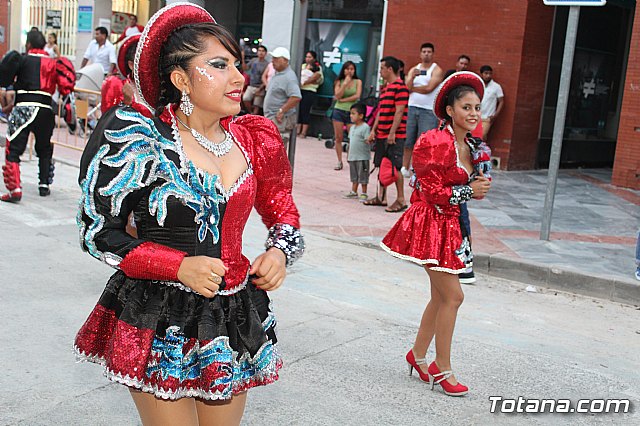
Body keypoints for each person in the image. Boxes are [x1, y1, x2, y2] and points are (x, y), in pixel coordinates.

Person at [73, 4, 304, 425]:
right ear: (180, 78)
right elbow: (97, 231)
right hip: (159, 316)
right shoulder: (140, 140)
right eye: (220, 65)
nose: (239, 77)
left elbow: (283, 211)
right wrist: (177, 265)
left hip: (231, 313)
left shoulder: (255, 139)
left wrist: (279, 252)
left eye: (237, 64)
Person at [380, 72, 491, 397]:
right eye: (466, 107)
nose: (473, 113)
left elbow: (465, 191)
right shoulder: (433, 141)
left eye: (477, 108)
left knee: (441, 296)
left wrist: (477, 189)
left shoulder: (471, 145)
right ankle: (443, 369)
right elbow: (430, 191)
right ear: (450, 110)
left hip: (452, 225)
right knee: (454, 296)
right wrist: (469, 190)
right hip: (429, 224)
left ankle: (417, 355)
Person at [0, 30, 64, 201]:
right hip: (45, 109)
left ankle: (15, 190)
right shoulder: (54, 63)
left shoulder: (22, 59)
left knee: (13, 149)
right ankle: (44, 185)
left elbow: (4, 80)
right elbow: (65, 87)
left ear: (28, 44)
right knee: (44, 148)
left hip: (25, 108)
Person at [364, 56, 409, 213]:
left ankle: (401, 199)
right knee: (381, 165)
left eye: (382, 68)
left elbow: (400, 111)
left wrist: (392, 133)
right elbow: (380, 112)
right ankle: (381, 197)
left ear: (390, 69)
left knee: (395, 168)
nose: (380, 71)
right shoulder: (386, 88)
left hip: (394, 135)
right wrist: (373, 130)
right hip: (382, 134)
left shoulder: (400, 88)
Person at [403, 42, 443, 178]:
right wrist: (412, 78)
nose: (426, 54)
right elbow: (406, 87)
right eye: (424, 51)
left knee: (424, 142)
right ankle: (404, 167)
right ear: (420, 53)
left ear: (433, 54)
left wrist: (413, 89)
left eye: (429, 52)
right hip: (412, 108)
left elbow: (429, 89)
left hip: (427, 111)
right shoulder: (414, 69)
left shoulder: (436, 70)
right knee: (408, 140)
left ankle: (418, 170)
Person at [100, 34, 150, 117]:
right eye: (144, 62)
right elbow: (109, 120)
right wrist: (127, 103)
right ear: (131, 65)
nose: (149, 67)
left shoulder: (161, 89)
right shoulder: (116, 86)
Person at [263, 47, 301, 148]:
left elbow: (296, 96)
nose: (273, 61)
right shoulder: (278, 73)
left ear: (285, 60)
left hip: (280, 120)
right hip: (273, 118)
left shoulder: (289, 77)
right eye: (273, 58)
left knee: (276, 150)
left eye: (276, 59)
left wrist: (282, 110)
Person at [331, 61, 362, 170]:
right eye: (347, 69)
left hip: (352, 112)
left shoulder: (358, 81)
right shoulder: (339, 81)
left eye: (352, 69)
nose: (349, 71)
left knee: (352, 137)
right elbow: (337, 95)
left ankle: (351, 158)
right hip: (339, 110)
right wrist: (344, 84)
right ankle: (339, 161)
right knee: (338, 137)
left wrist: (343, 99)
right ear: (343, 70)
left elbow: (357, 96)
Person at [343, 103, 371, 200]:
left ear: (361, 115)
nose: (351, 116)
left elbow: (368, 140)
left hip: (362, 157)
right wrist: (348, 155)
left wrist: (370, 139)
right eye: (351, 113)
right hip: (353, 156)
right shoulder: (352, 128)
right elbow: (351, 142)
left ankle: (364, 193)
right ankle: (354, 191)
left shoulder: (365, 127)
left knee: (363, 175)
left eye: (353, 113)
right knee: (354, 175)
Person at [297, 50, 323, 138]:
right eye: (307, 57)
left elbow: (319, 79)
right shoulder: (303, 66)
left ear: (314, 58)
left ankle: (304, 132)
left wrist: (307, 81)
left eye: (310, 57)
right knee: (299, 110)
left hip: (310, 91)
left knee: (305, 110)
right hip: (300, 90)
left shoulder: (317, 67)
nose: (307, 59)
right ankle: (297, 130)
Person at [479, 65, 504, 141]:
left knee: (482, 135)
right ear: (481, 74)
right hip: (475, 116)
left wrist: (495, 115)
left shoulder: (496, 87)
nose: (488, 76)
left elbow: (501, 101)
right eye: (486, 73)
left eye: (490, 74)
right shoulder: (478, 84)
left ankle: (482, 152)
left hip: (487, 118)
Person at [242, 45, 269, 114]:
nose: (261, 53)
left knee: (256, 104)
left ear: (266, 53)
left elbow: (267, 78)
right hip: (251, 85)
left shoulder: (267, 64)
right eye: (259, 51)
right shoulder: (253, 60)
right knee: (245, 98)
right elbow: (245, 68)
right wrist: (242, 58)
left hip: (261, 87)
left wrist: (260, 88)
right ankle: (251, 113)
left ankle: (254, 117)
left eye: (263, 51)